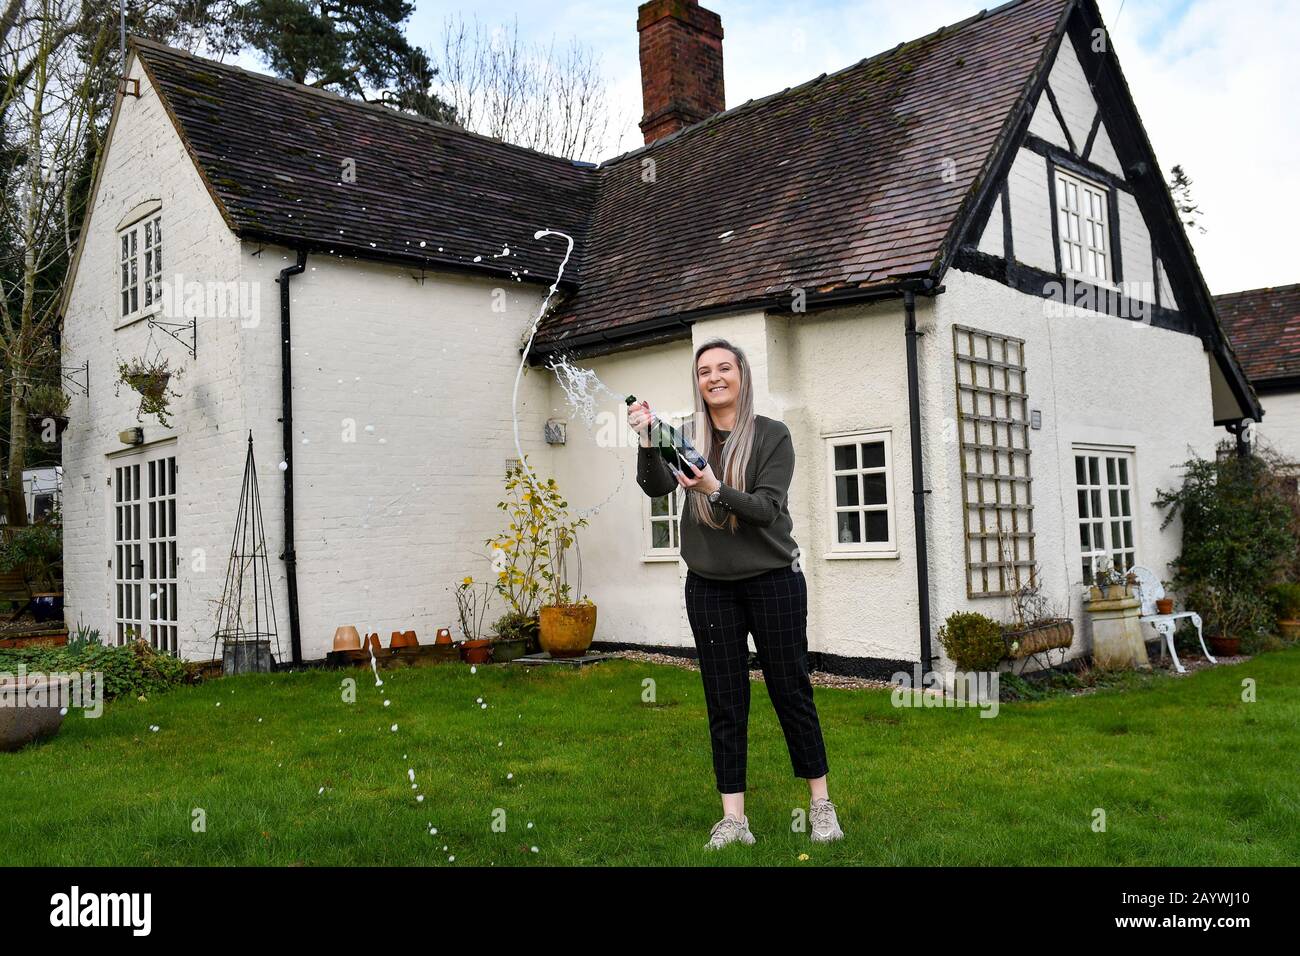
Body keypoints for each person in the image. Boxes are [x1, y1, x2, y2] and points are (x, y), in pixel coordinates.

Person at [628, 337, 843, 850]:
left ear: (742, 376)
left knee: (790, 690)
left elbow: (767, 509)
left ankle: (821, 806)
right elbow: (655, 486)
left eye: (724, 368)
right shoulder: (681, 436)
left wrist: (714, 490)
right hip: (709, 587)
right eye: (704, 371)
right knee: (725, 699)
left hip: (774, 580)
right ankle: (734, 820)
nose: (714, 377)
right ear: (698, 382)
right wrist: (644, 439)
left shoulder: (772, 435)